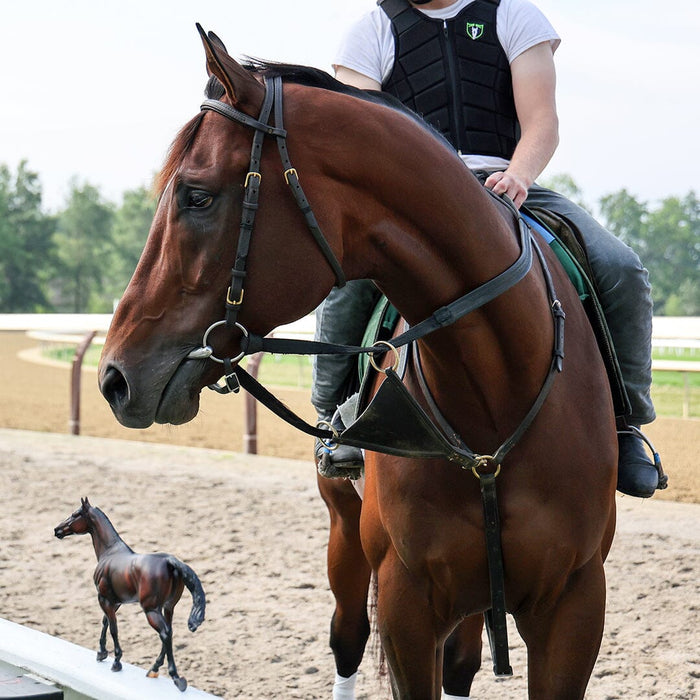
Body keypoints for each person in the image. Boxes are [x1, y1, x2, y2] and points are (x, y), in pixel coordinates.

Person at [312, 0, 664, 498]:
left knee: (621, 268)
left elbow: (542, 122)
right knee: (348, 285)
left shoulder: (514, 16)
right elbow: (369, 136)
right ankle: (334, 422)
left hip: (506, 183)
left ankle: (627, 424)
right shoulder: (368, 33)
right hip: (411, 197)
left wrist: (518, 175)